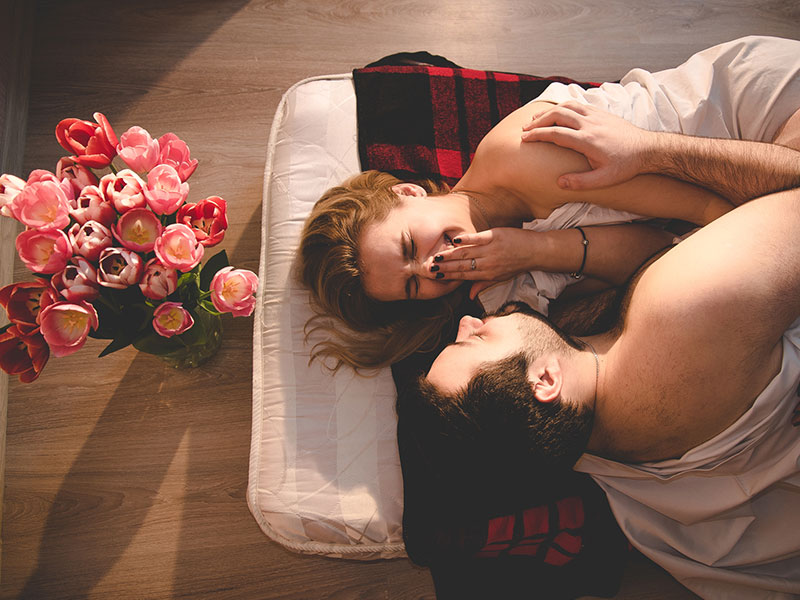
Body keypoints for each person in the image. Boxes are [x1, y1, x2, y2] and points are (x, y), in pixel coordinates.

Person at [406, 125, 800, 597]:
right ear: (545, 379)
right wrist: (654, 150)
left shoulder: (568, 440)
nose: (465, 324)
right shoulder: (685, 306)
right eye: (470, 343)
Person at [299, 35, 800, 371]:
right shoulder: (492, 292)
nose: (431, 267)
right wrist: (537, 251)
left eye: (410, 244)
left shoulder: (521, 157)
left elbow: (718, 215)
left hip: (743, 113)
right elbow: (656, 252)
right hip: (733, 195)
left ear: (408, 193)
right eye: (413, 285)